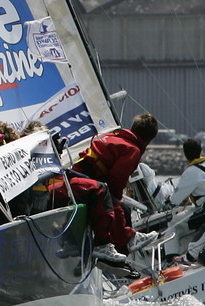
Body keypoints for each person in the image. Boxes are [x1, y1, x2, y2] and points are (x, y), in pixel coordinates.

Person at [68, 112, 164, 262]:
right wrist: (117, 199)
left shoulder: (116, 137)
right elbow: (117, 179)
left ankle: (124, 244)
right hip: (86, 177)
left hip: (79, 174)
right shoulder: (133, 149)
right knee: (116, 205)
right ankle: (126, 241)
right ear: (149, 139)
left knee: (123, 208)